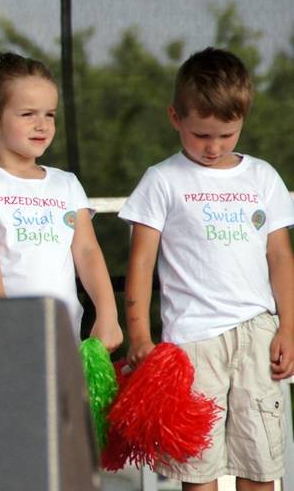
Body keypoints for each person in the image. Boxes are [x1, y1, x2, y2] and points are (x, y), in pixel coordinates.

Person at [120, 47, 294, 490]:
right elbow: (141, 262)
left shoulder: (263, 177)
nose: (213, 147)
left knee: (261, 463)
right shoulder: (161, 180)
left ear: (243, 121)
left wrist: (289, 327)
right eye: (201, 135)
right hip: (192, 341)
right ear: (175, 117)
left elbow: (280, 257)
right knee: (198, 467)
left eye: (226, 135)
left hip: (258, 333)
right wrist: (139, 336)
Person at [0, 52, 122, 349]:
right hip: (3, 337)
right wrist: (2, 316)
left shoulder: (66, 183)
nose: (42, 125)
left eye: (50, 114)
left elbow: (87, 251)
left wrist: (108, 315)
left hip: (62, 337)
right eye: (28, 114)